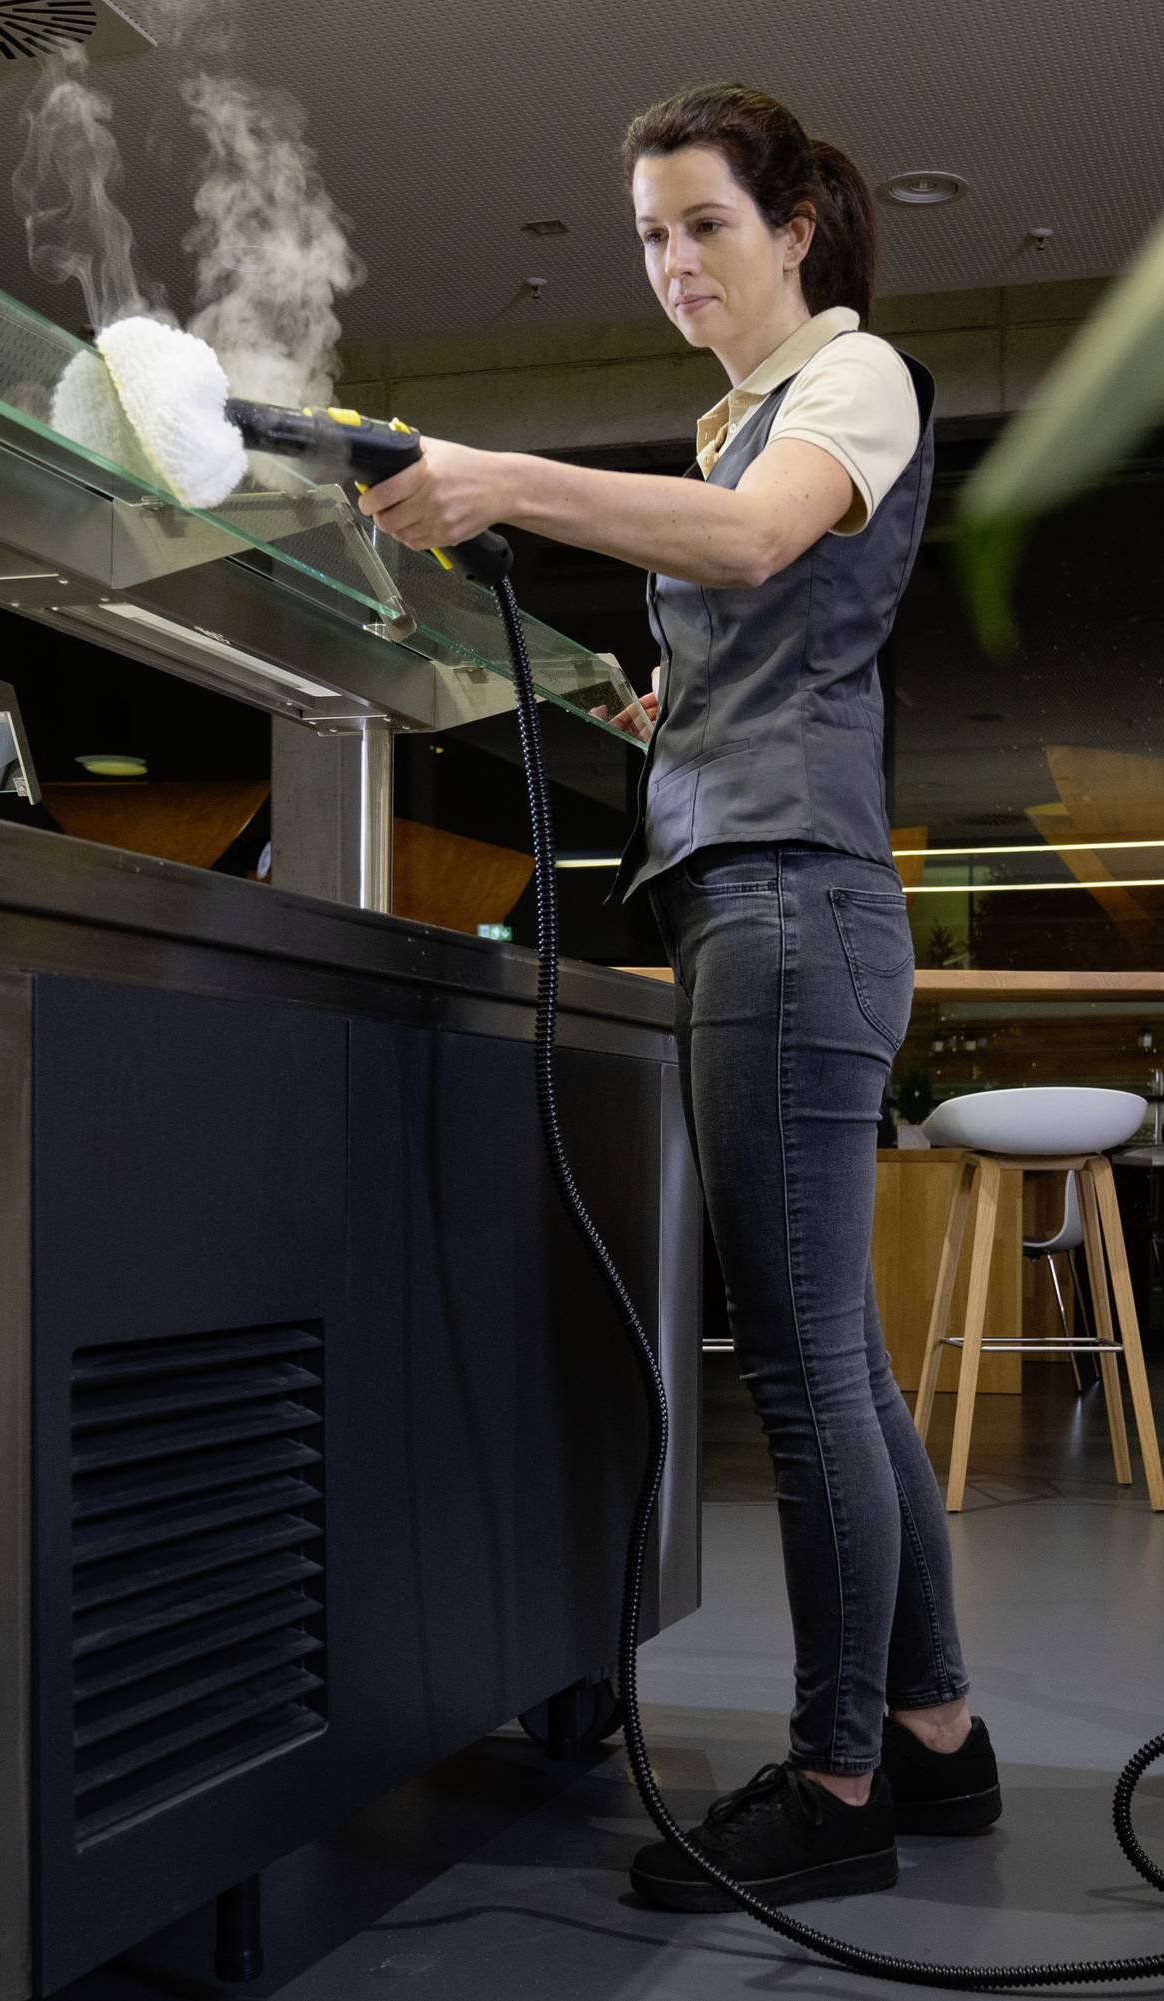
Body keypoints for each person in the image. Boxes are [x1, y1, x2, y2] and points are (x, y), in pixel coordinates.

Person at [354, 81, 993, 1912]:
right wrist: (666, 710)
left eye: (704, 223)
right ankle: (936, 1740)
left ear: (795, 227)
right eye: (650, 236)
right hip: (768, 902)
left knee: (799, 1372)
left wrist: (503, 480)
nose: (674, 262)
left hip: (790, 913)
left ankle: (840, 1778)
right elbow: (755, 608)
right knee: (846, 1363)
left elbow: (752, 548)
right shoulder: (740, 425)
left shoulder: (850, 379)